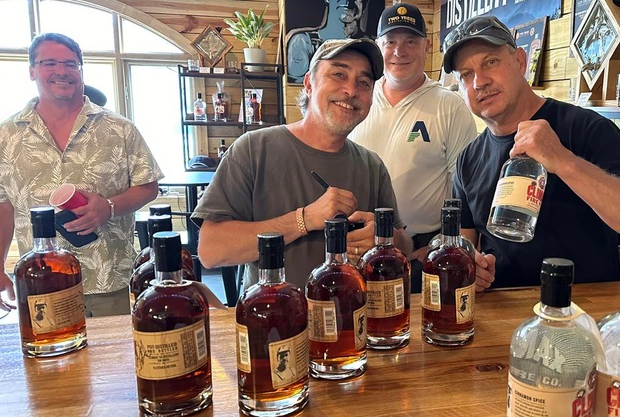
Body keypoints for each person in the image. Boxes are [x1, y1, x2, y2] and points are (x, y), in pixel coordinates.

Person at [441, 15, 620, 290]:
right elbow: (465, 245)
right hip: (503, 314)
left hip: (584, 315)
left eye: (491, 62)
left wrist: (564, 161)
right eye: (466, 74)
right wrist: (471, 267)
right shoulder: (468, 159)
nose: (479, 82)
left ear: (520, 62)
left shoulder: (586, 129)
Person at [193, 38, 413, 289]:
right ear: (309, 83)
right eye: (338, 74)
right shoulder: (253, 149)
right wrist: (304, 219)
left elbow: (406, 243)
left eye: (363, 82)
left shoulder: (372, 166)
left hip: (353, 322)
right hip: (276, 321)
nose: (351, 90)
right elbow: (211, 250)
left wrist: (386, 238)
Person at [0, 33, 163, 316]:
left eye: (71, 64)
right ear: (31, 70)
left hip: (109, 277)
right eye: (49, 63)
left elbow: (148, 187)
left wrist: (108, 208)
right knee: (46, 358)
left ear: (81, 70)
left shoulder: (119, 129)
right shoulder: (6, 135)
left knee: (113, 360)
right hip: (42, 279)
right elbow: (4, 205)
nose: (62, 71)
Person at [349, 2, 477, 290]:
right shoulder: (358, 100)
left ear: (426, 46)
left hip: (421, 253)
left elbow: (465, 191)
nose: (399, 50)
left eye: (410, 41)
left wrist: (441, 243)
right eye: (391, 41)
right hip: (357, 248)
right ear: (379, 46)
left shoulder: (449, 106)